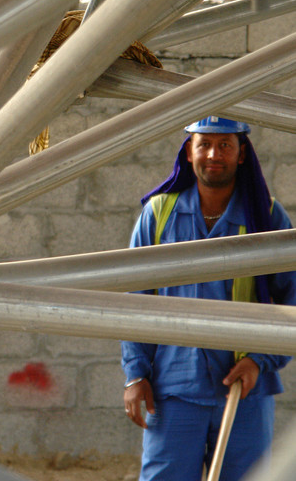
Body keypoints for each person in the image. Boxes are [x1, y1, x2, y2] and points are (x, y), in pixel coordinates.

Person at [121, 116, 296, 481]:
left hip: (243, 391)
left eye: (225, 145)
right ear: (189, 152)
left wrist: (259, 360)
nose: (214, 154)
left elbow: (292, 300)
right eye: (204, 144)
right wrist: (135, 375)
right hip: (172, 392)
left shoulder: (266, 218)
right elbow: (135, 300)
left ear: (242, 154)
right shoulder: (158, 215)